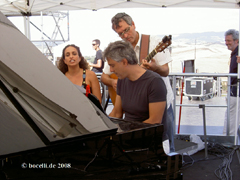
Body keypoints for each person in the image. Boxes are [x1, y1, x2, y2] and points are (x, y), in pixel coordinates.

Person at [101, 12, 175, 152]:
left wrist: (155, 68)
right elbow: (106, 77)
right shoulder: (123, 74)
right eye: (120, 34)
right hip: (133, 127)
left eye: (126, 31)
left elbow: (165, 71)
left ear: (133, 24)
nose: (125, 36)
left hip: (158, 98)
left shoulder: (152, 42)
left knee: (167, 139)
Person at [103, 40, 167, 126]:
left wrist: (126, 133)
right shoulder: (122, 80)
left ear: (124, 62)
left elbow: (154, 121)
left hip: (146, 134)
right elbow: (116, 113)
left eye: (113, 65)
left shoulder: (154, 82)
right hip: (128, 133)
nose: (111, 70)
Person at [223, 29, 240, 136]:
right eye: (226, 41)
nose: (226, 43)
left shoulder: (238, 53)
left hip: (236, 91)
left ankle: (228, 142)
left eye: (229, 41)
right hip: (233, 91)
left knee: (231, 119)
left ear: (236, 41)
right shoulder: (235, 53)